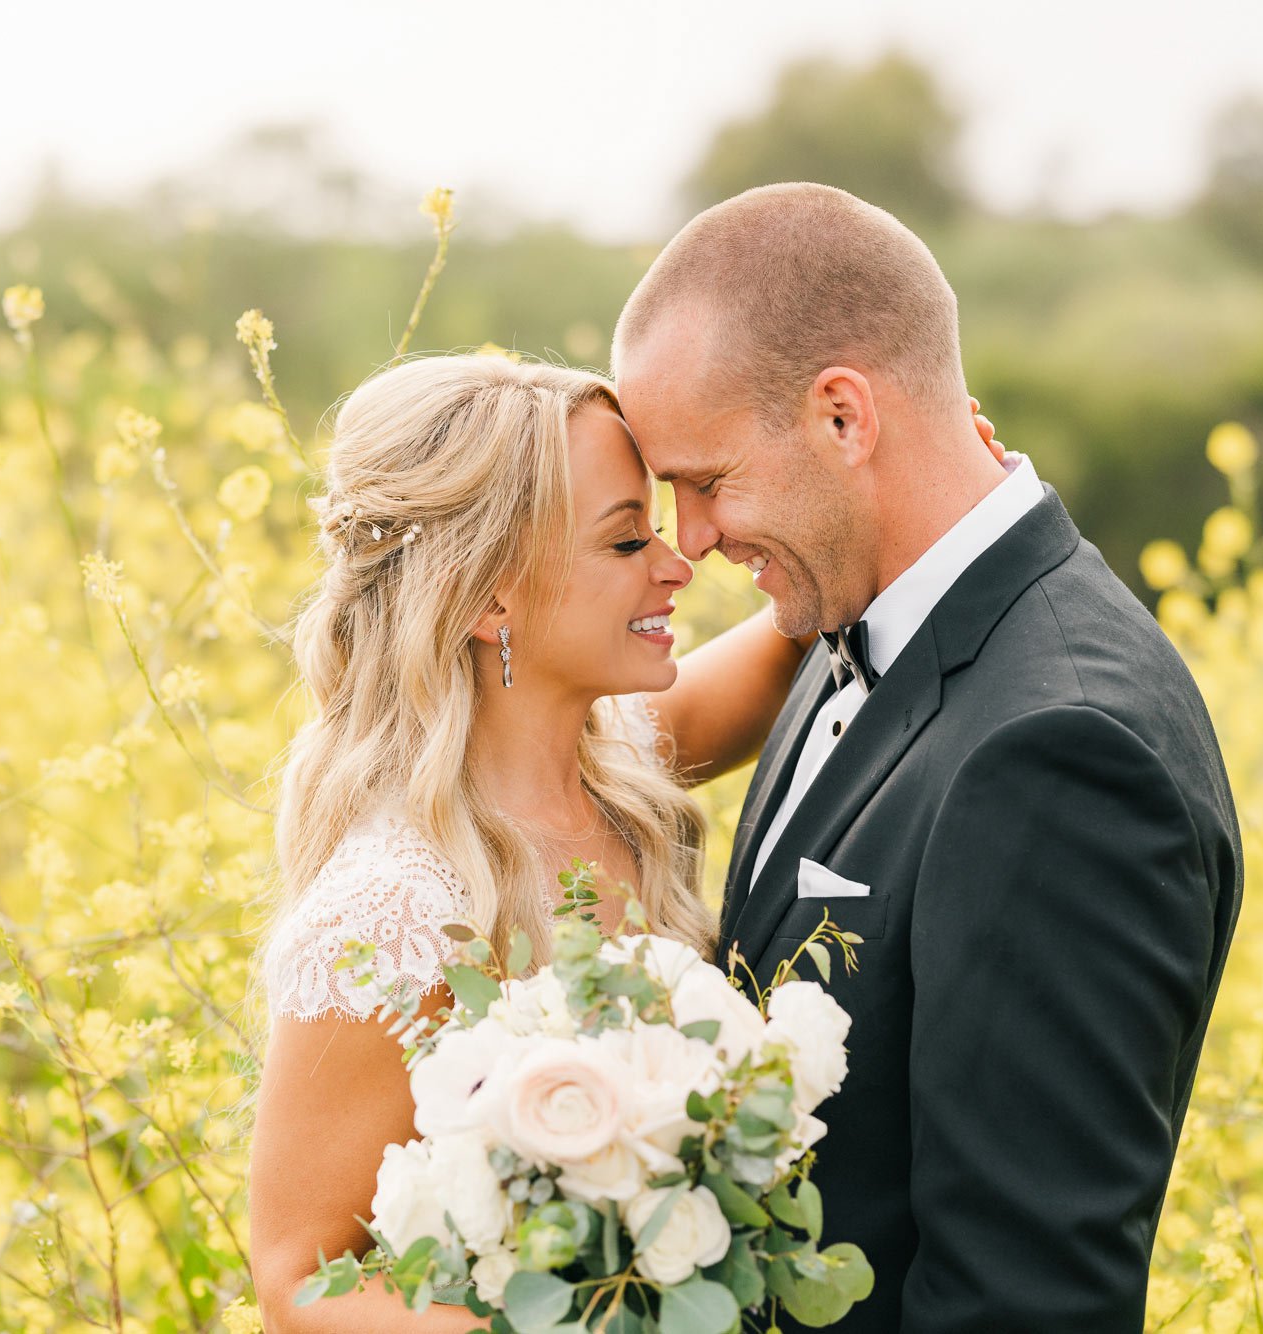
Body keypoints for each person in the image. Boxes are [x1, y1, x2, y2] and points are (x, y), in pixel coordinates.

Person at [246, 352, 998, 1329]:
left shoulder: (627, 762)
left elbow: (804, 618)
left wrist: (924, 485)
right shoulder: (389, 907)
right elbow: (297, 1270)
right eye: (623, 539)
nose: (675, 561)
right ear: (489, 599)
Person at [611, 181, 1244, 1332]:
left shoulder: (1059, 755)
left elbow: (1023, 1298)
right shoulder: (850, 605)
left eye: (705, 482)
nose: (689, 538)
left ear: (843, 417)